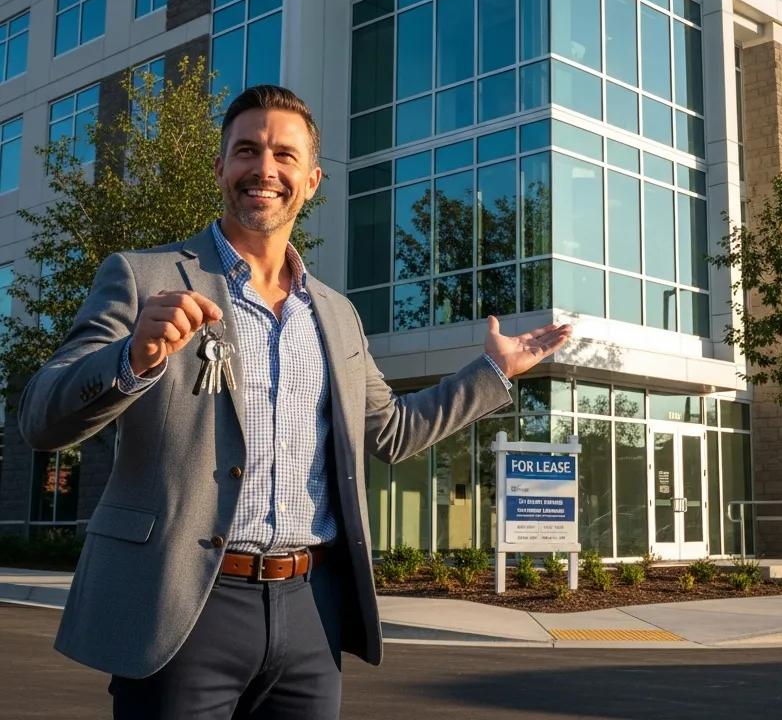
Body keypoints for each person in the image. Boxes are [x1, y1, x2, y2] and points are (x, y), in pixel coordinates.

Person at [19, 84, 571, 719]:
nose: (264, 169)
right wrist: (131, 361)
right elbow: (41, 417)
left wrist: (492, 373)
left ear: (311, 181)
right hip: (182, 608)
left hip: (311, 612)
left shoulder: (336, 314)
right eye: (246, 150)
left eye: (284, 155)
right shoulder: (143, 278)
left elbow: (389, 432)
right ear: (221, 168)